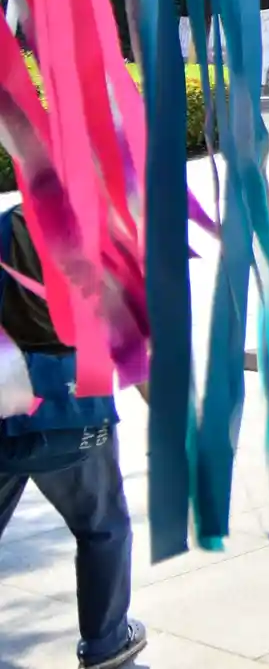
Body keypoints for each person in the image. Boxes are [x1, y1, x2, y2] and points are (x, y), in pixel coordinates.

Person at [0, 206, 147, 668]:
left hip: (6, 407)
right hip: (79, 409)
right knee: (103, 527)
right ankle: (107, 643)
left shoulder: (5, 229)